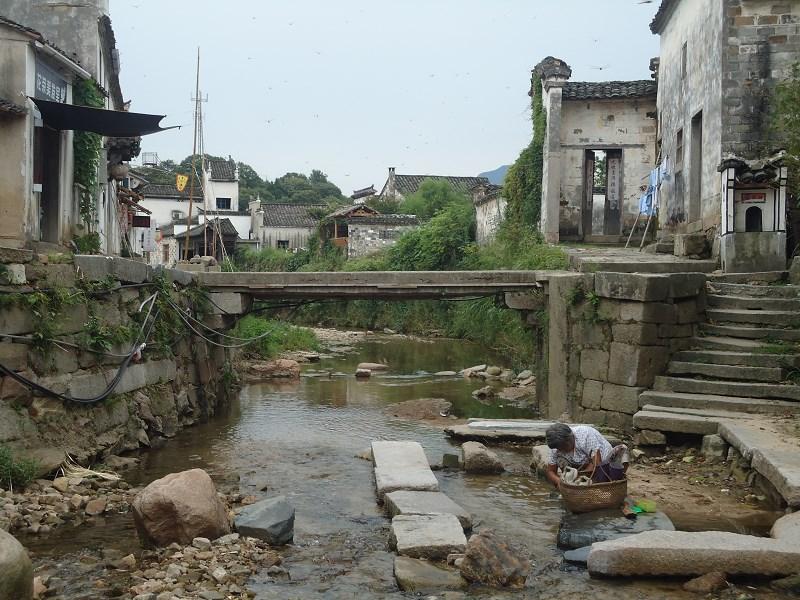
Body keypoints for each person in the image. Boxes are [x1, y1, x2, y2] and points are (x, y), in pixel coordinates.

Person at [543, 423, 628, 489]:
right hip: (578, 466)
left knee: (602, 478)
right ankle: (574, 478)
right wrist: (560, 482)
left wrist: (579, 481)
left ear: (570, 438)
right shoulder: (556, 445)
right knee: (563, 466)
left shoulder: (586, 435)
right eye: (558, 448)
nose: (560, 450)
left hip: (601, 464)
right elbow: (550, 471)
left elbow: (596, 465)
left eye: (563, 447)